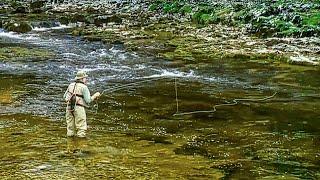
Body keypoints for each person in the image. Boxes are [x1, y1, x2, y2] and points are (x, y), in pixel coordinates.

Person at [63, 70, 100, 138]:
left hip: (69, 108)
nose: (86, 80)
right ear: (82, 79)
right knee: (81, 129)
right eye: (85, 78)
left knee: (70, 128)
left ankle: (70, 145)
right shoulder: (84, 87)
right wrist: (95, 95)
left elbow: (64, 97)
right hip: (79, 109)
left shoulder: (70, 85)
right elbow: (88, 100)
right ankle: (80, 146)